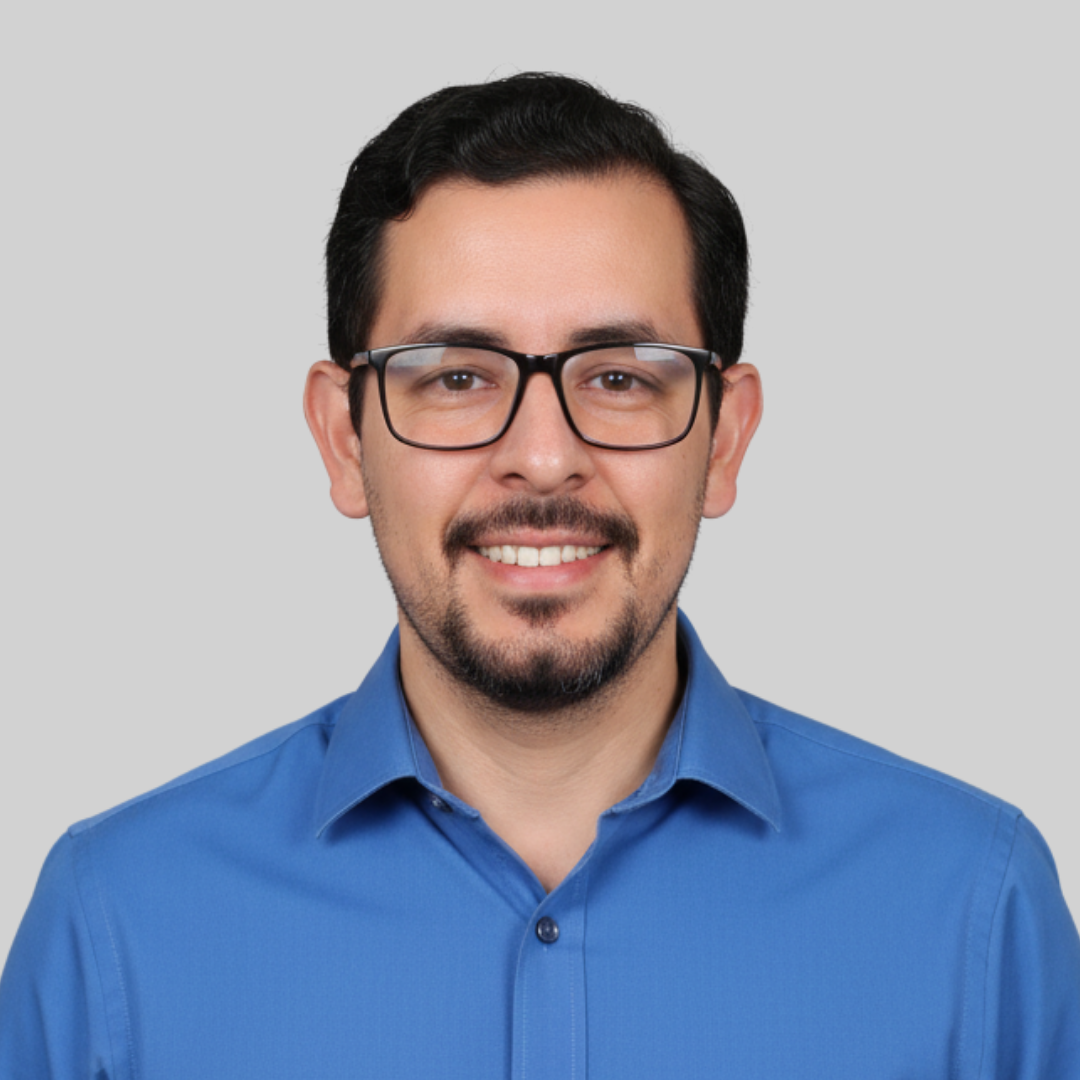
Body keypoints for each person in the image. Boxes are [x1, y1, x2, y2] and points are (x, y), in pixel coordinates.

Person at [2, 72, 1078, 1078]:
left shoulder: (972, 913)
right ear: (344, 439)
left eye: (619, 377)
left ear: (724, 438)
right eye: (456, 377)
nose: (545, 455)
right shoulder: (116, 925)